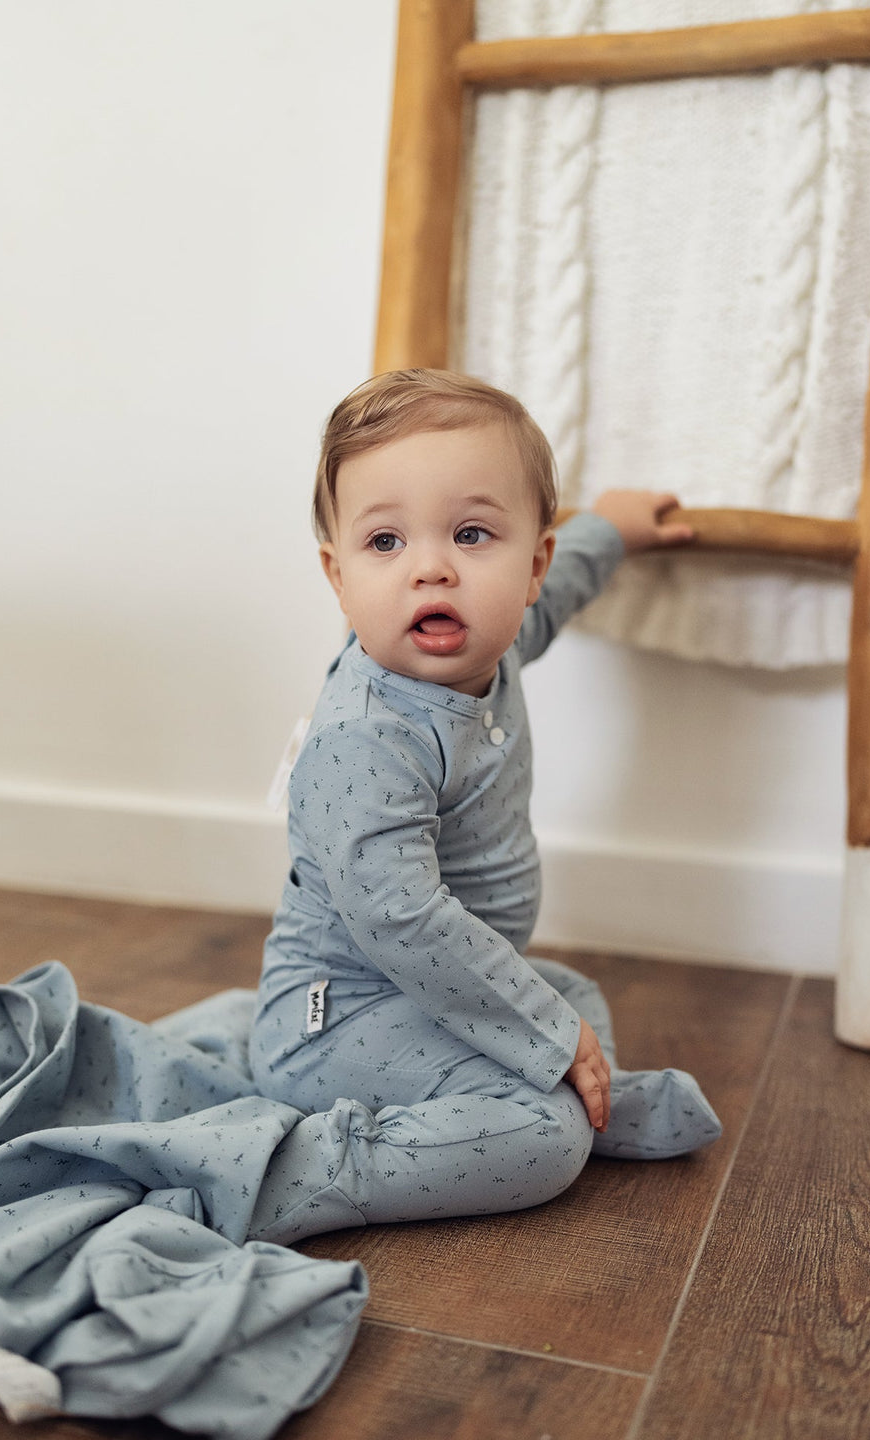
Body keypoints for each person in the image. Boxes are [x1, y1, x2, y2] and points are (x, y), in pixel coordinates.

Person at [246, 369, 721, 1246]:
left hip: (425, 992)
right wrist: (544, 1033)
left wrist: (607, 532)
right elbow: (402, 919)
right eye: (385, 542)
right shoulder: (370, 733)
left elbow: (555, 598)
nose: (431, 566)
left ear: (529, 563)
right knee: (541, 1137)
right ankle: (291, 1172)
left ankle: (585, 1092)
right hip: (334, 1019)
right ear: (339, 577)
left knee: (571, 988)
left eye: (470, 534)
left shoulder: (481, 654)